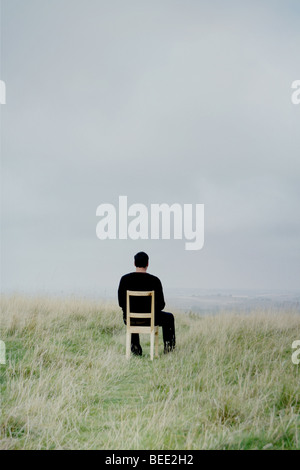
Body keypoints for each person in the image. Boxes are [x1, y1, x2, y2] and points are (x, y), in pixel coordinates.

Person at [118, 251, 176, 356]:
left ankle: (136, 350)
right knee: (169, 317)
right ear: (148, 264)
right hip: (151, 319)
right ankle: (169, 351)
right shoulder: (155, 281)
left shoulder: (125, 279)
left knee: (131, 315)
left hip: (131, 319)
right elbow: (161, 305)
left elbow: (121, 303)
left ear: (134, 263)